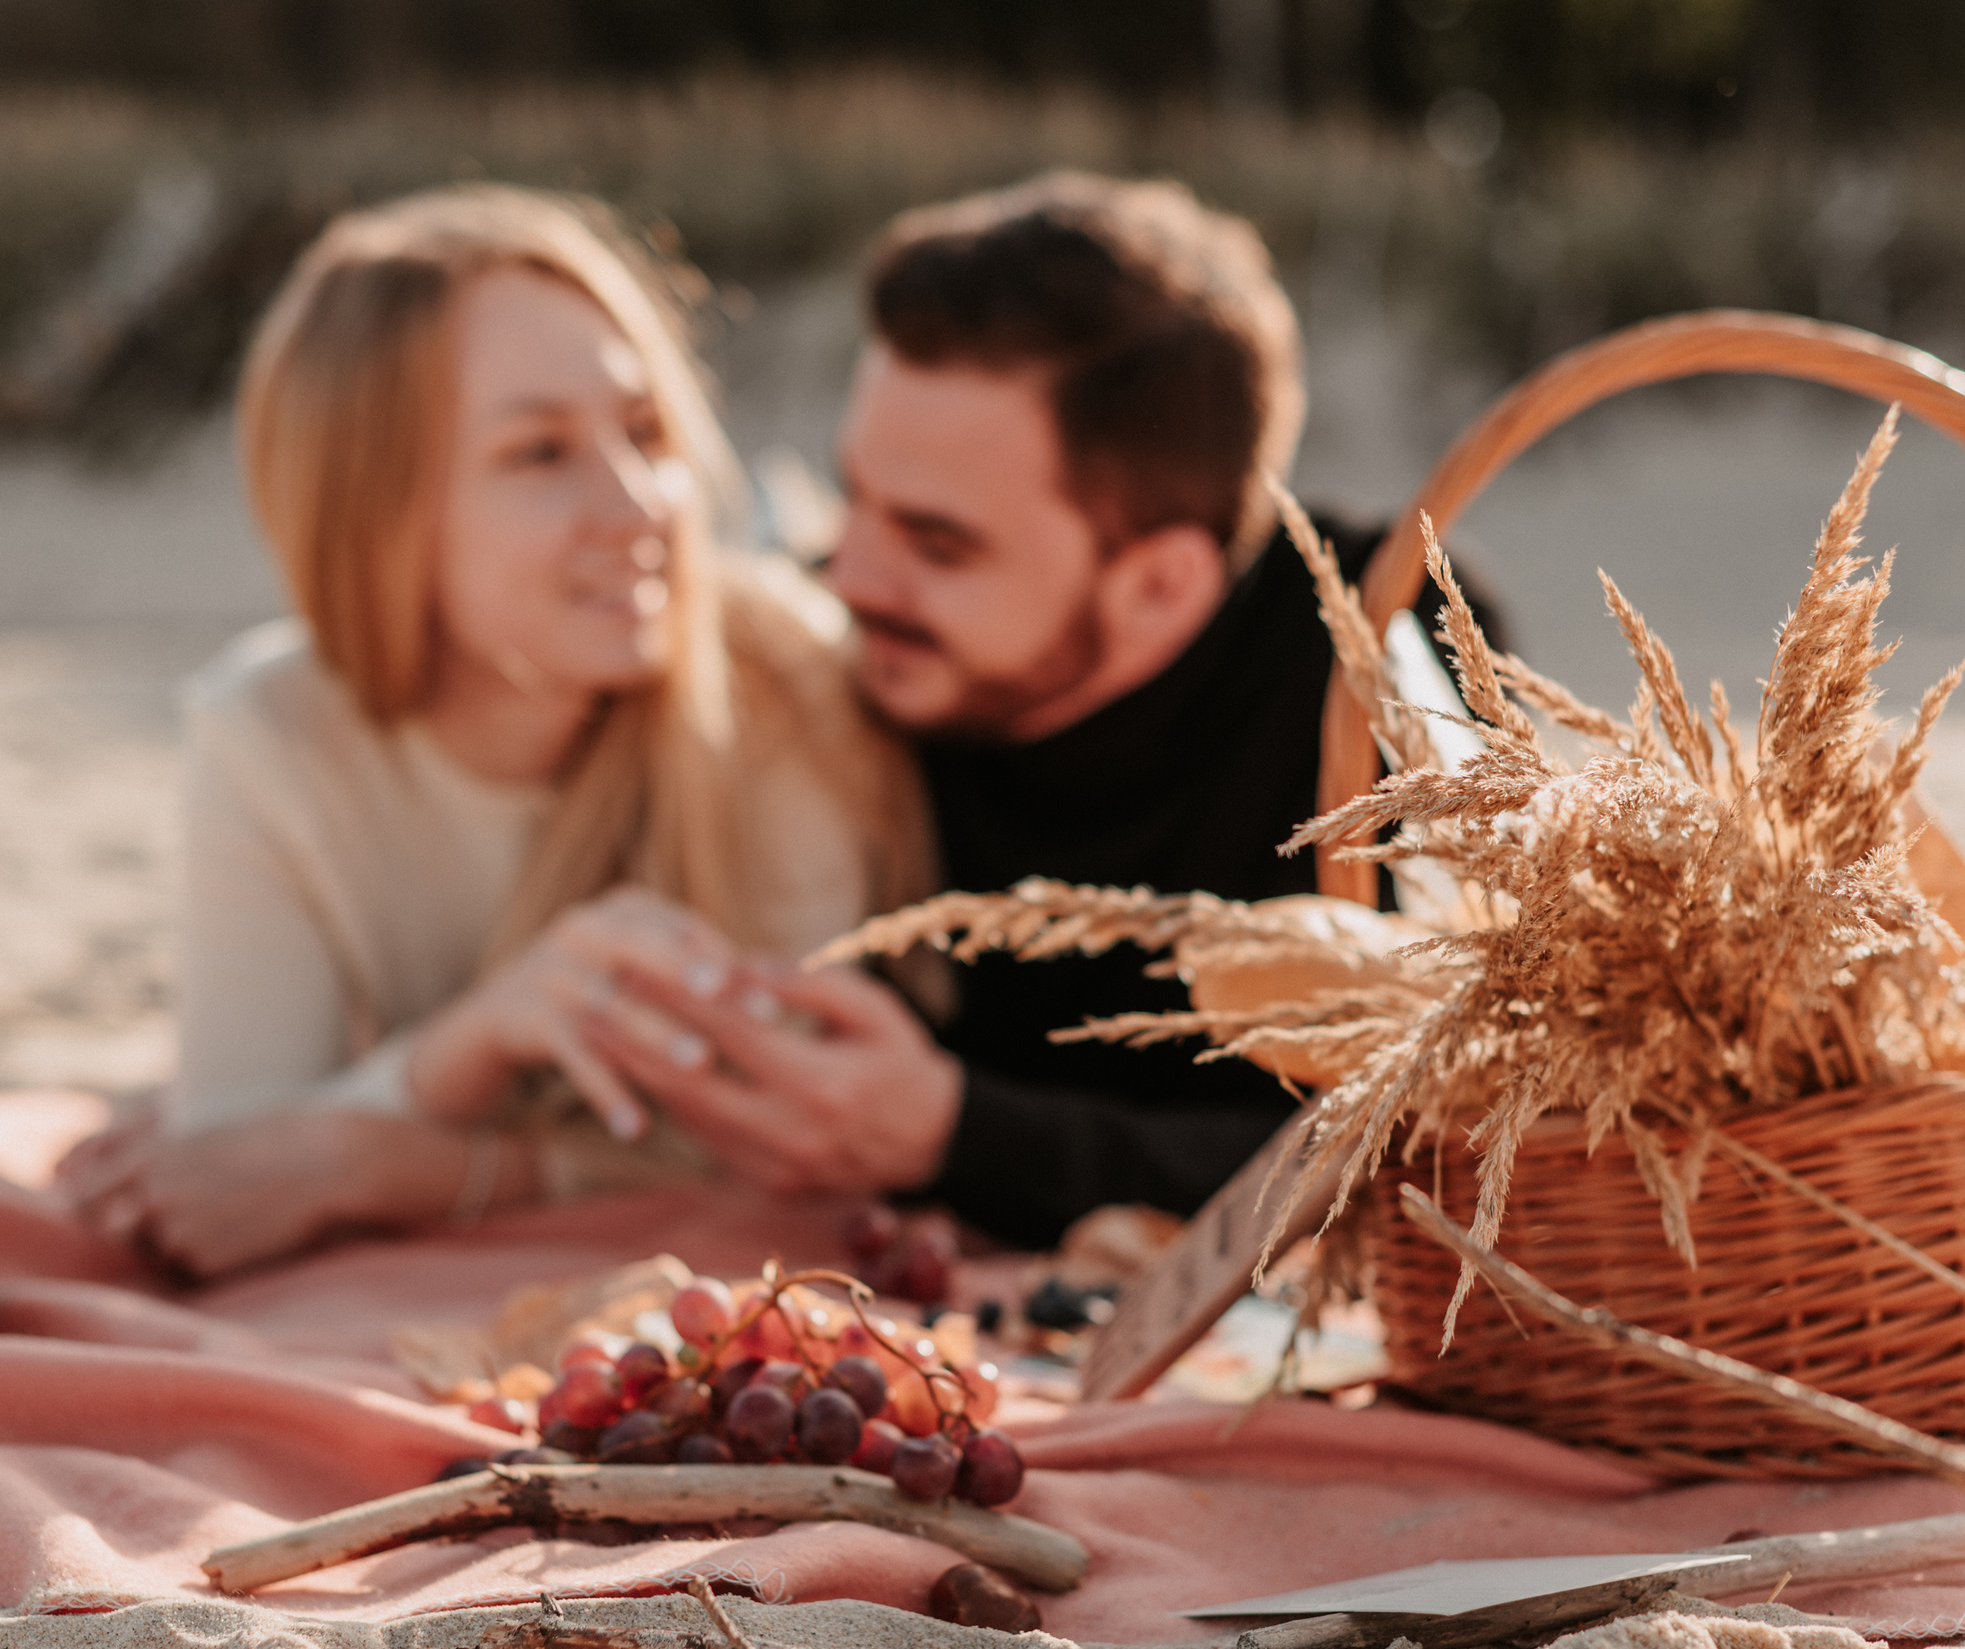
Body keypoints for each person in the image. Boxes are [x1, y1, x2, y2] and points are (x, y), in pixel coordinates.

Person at [566, 173, 1502, 1251]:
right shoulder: (817, 671)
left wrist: (962, 1137)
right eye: (851, 499)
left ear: (1157, 587)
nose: (848, 578)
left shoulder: (1385, 658)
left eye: (935, 543)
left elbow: (1435, 1135)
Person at [63, 185, 930, 1277]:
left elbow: (772, 1141)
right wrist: (469, 1045)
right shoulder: (267, 732)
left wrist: (387, 1159)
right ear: (375, 510)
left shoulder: (777, 685)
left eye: (646, 430)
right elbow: (232, 1171)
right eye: (539, 453)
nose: (639, 504)